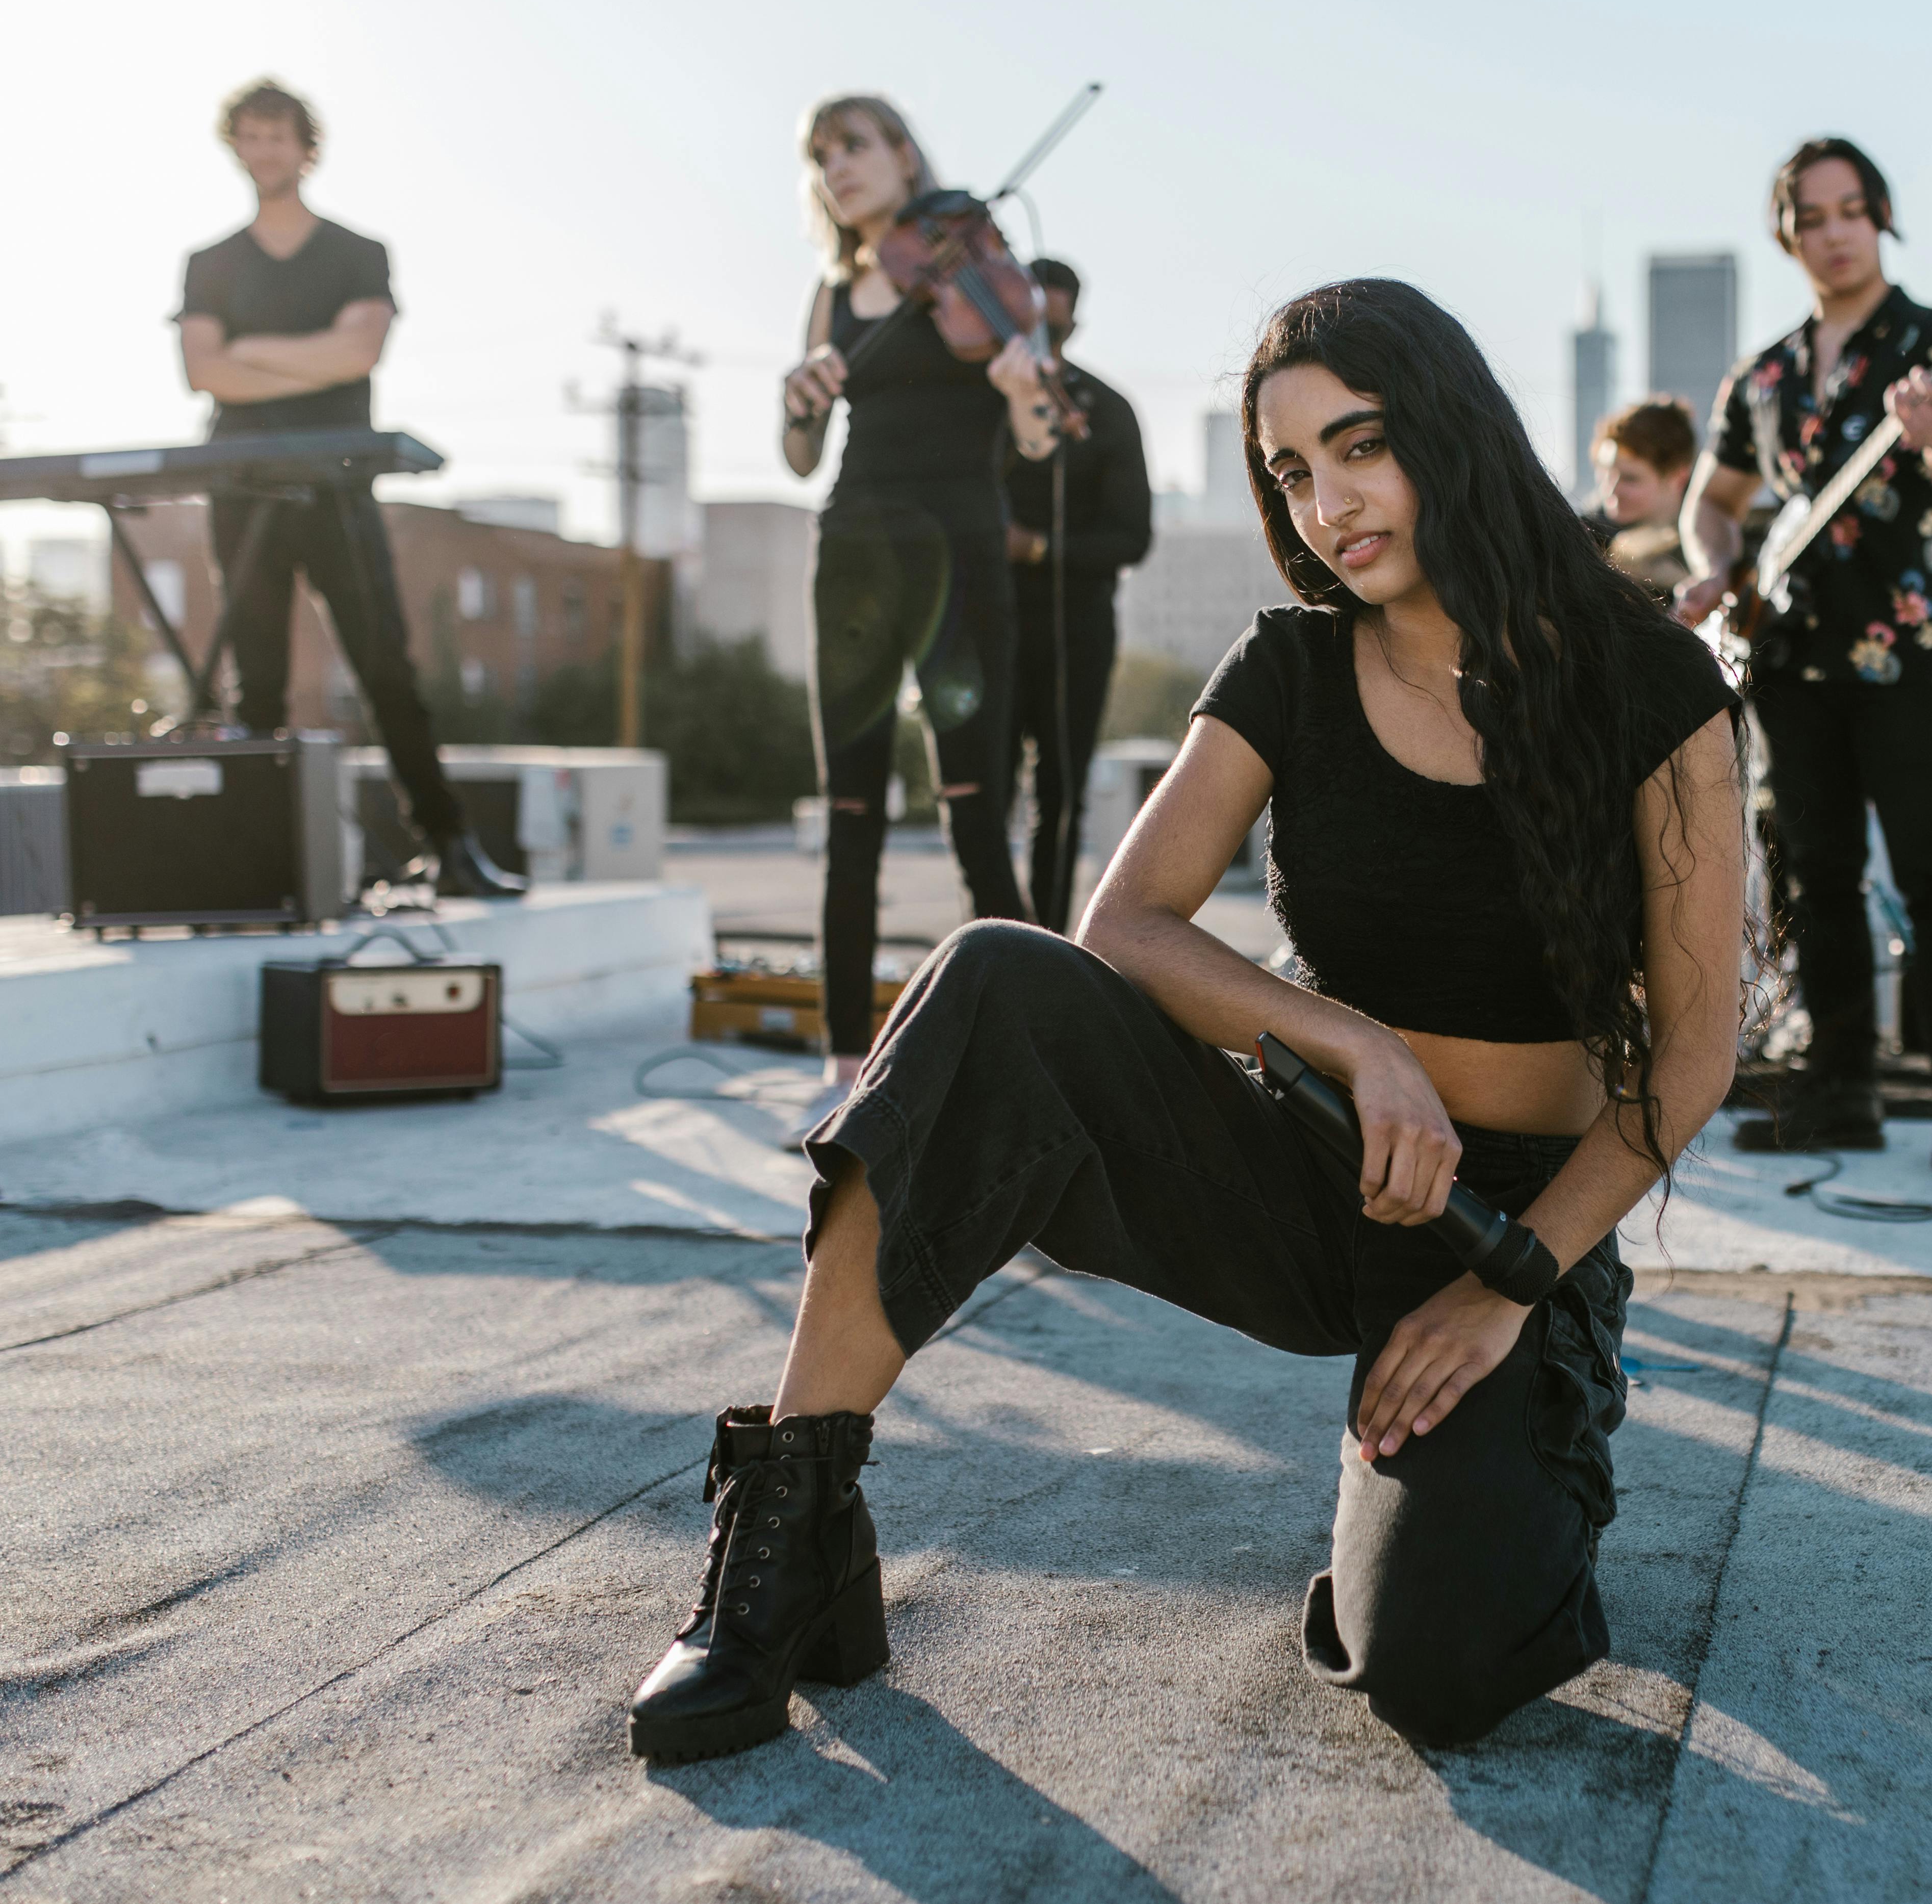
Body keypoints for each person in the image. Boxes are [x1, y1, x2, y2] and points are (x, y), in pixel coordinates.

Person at [628, 278, 1746, 1764]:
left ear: (1452, 430)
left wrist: (1509, 1289)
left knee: (1439, 1667)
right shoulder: (1290, 661)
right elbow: (1128, 923)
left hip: (1507, 1227)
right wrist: (1358, 1043)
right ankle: (796, 1521)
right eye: (1291, 471)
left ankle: (1503, 1465)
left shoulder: (1649, 677)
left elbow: (1693, 1051)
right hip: (1307, 1165)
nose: (1329, 505)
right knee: (994, 979)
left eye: (1360, 446)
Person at [1671, 137, 1932, 1187]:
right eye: (1812, 218)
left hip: (1902, 656)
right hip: (1787, 659)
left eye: (1850, 211)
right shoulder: (1764, 374)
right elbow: (1711, 501)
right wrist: (1715, 566)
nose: (1834, 234)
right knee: (1814, 877)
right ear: (1787, 236)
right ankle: (1839, 1091)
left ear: (1879, 219)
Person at [175, 78, 521, 897]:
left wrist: (251, 351)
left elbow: (359, 353)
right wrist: (311, 354)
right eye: (250, 136)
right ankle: (255, 865)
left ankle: (448, 844)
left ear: (306, 148)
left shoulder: (357, 253)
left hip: (338, 485)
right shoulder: (210, 263)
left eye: (278, 135)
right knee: (257, 683)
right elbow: (201, 370)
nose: (264, 150)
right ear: (235, 147)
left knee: (384, 667)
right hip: (242, 488)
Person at [779, 94, 1064, 1083]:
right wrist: (796, 403)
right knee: (849, 813)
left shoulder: (975, 264)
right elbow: (799, 456)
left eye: (854, 146)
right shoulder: (832, 293)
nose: (837, 168)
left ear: (904, 154)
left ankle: (1037, 1057)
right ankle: (842, 1069)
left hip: (961, 554)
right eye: (822, 156)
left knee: (975, 810)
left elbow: (1038, 440)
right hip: (854, 551)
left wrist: (1025, 392)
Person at [1001, 257, 1153, 930]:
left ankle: (1042, 947)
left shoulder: (1107, 409)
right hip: (988, 626)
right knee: (981, 795)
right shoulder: (979, 402)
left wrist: (1035, 546)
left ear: (1073, 325)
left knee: (1059, 798)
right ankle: (985, 942)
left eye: (1053, 323)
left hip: (1077, 628)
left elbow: (1132, 537)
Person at [1583, 397, 1696, 599]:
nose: (1611, 490)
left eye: (1630, 479)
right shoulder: (1586, 538)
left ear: (1678, 478)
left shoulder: (1716, 543)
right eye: (1606, 474)